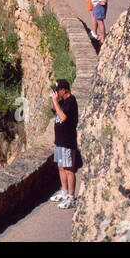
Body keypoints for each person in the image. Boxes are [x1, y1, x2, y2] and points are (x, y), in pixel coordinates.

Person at [49, 78, 79, 209]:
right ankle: (64, 192)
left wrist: (56, 101)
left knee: (69, 169)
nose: (56, 93)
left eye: (57, 90)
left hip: (67, 141)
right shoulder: (63, 101)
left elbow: (63, 117)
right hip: (59, 141)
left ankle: (71, 197)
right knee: (61, 167)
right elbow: (54, 109)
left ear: (64, 90)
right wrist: (53, 100)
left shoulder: (71, 101)